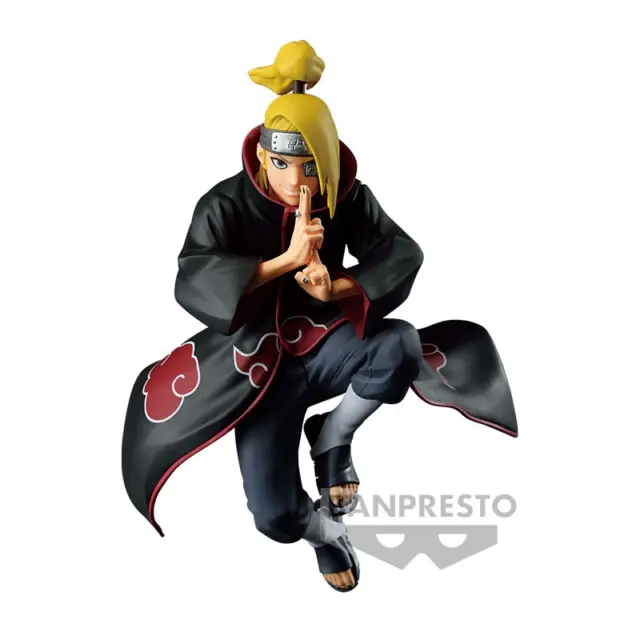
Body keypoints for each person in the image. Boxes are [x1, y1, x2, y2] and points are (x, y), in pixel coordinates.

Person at [121, 40, 518, 593]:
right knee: (273, 516)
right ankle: (326, 534)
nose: (294, 181)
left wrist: (338, 287)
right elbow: (192, 276)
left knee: (399, 344)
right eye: (281, 164)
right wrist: (282, 263)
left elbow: (401, 252)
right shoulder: (224, 204)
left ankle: (332, 435)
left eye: (309, 167)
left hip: (327, 344)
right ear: (262, 156)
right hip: (256, 372)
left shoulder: (346, 198)